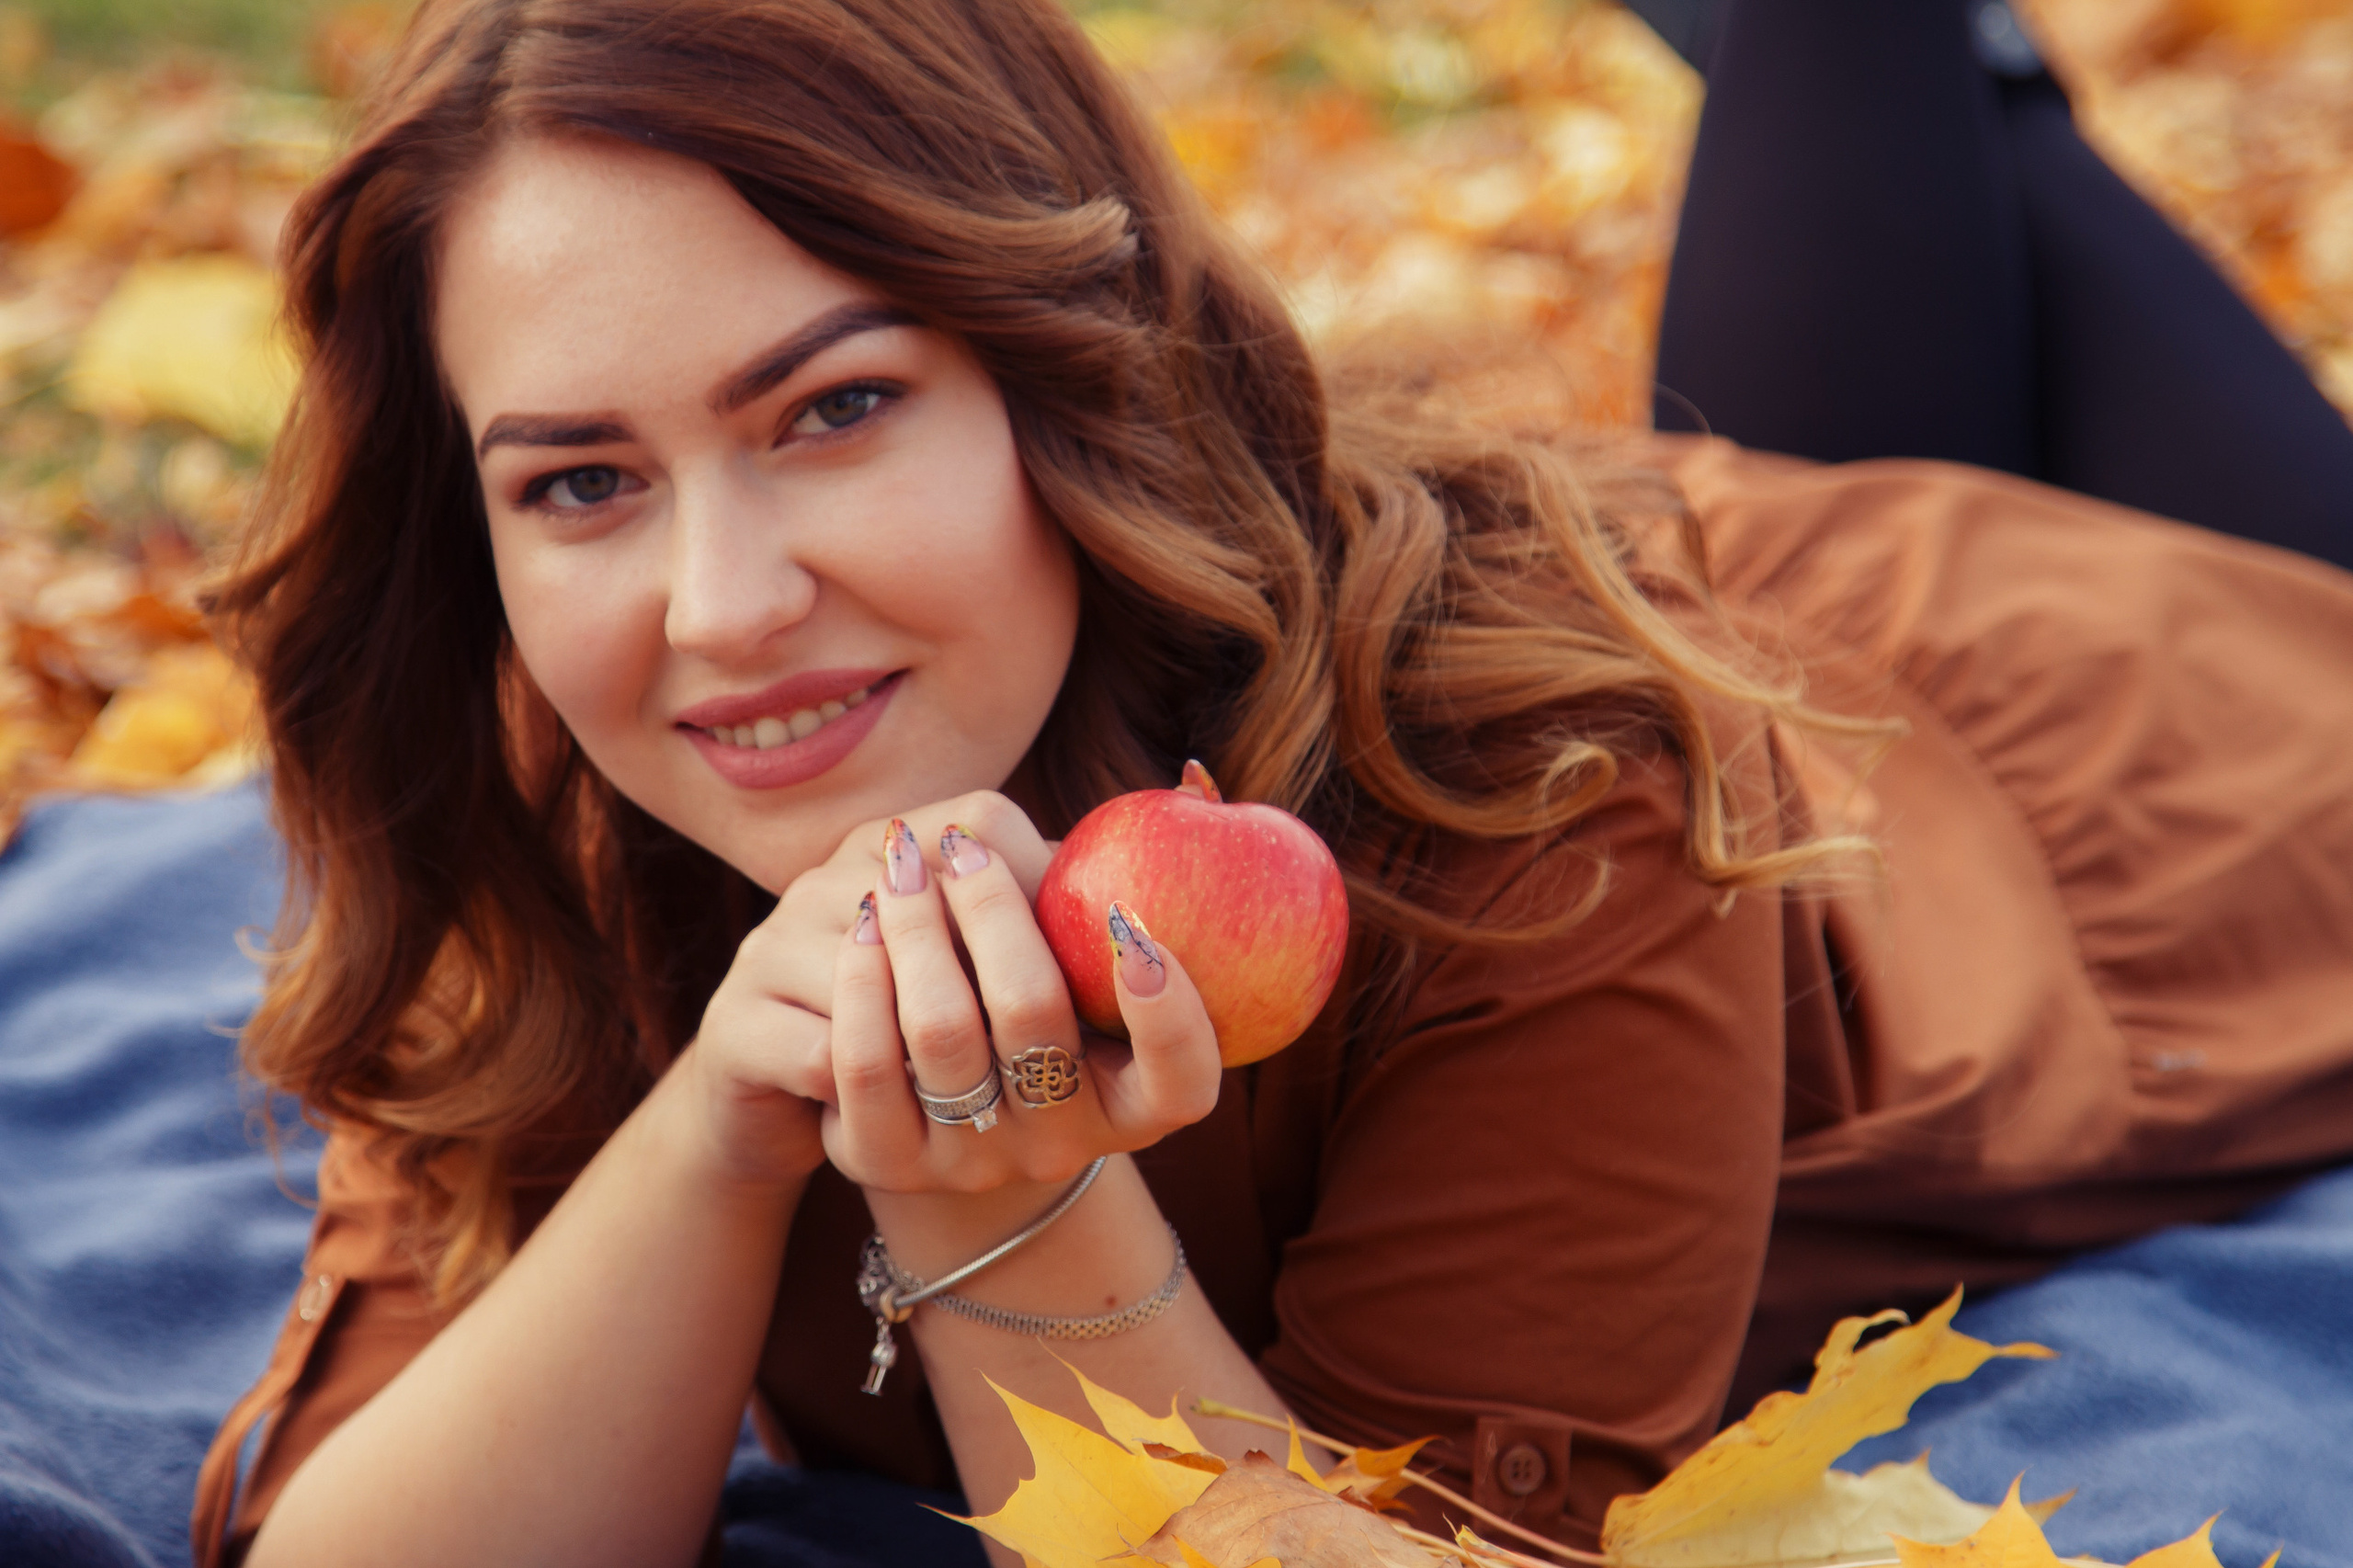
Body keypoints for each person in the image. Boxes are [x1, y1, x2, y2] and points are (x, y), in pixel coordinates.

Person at [189, 0, 2353, 1562]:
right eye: (579, 480)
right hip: (1689, 550)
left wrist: (996, 1188)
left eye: (834, 408)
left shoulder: (1534, 795)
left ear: (1068, 367)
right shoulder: (549, 783)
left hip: (2109, 763)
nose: (721, 608)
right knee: (1848, 299)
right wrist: (710, 1129)